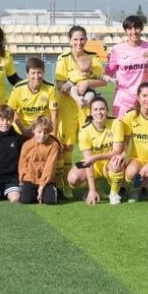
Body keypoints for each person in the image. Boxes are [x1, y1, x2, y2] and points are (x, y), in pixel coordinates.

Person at [54, 26, 107, 197]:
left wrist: (88, 84)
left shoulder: (93, 57)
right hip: (68, 108)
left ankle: (93, 186)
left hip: (88, 109)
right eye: (75, 39)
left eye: (82, 39)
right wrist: (76, 93)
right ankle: (64, 184)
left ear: (86, 40)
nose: (79, 42)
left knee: (91, 146)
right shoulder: (63, 59)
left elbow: (103, 81)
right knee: (67, 146)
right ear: (69, 41)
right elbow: (60, 85)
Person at [67, 96, 126, 206]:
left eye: (102, 109)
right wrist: (92, 190)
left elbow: (117, 151)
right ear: (90, 112)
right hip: (93, 165)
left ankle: (114, 194)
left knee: (117, 162)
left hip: (109, 164)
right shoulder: (84, 131)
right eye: (95, 109)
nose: (99, 112)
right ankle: (96, 189)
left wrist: (95, 157)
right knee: (72, 178)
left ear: (107, 110)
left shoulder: (116, 123)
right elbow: (88, 161)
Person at [105, 15, 148, 118]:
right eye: (129, 28)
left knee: (142, 133)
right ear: (125, 31)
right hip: (123, 100)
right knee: (121, 132)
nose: (134, 31)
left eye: (136, 28)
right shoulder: (117, 49)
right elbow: (107, 72)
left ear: (141, 29)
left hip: (144, 99)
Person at [7, 57, 59, 137]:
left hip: (43, 130)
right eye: (33, 73)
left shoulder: (50, 88)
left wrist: (53, 136)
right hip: (23, 129)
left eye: (39, 72)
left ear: (43, 73)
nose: (37, 76)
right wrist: (23, 130)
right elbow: (12, 111)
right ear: (27, 74)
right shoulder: (18, 88)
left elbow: (54, 115)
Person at [18, 116, 61, 205]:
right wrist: (23, 179)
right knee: (25, 200)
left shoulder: (53, 145)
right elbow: (22, 164)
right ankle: (35, 193)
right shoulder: (27, 145)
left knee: (50, 201)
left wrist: (41, 185)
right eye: (39, 132)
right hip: (30, 178)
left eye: (46, 133)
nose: (42, 135)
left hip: (47, 180)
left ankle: (50, 191)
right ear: (33, 130)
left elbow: (50, 167)